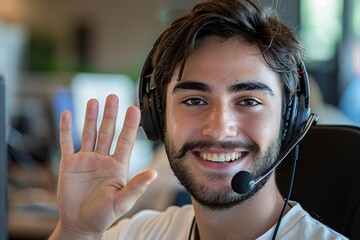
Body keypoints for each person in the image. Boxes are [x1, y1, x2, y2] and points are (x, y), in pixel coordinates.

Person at [49, 0, 347, 239]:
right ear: (158, 117)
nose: (218, 128)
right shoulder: (139, 233)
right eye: (194, 100)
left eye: (249, 101)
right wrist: (77, 231)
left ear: (289, 120)